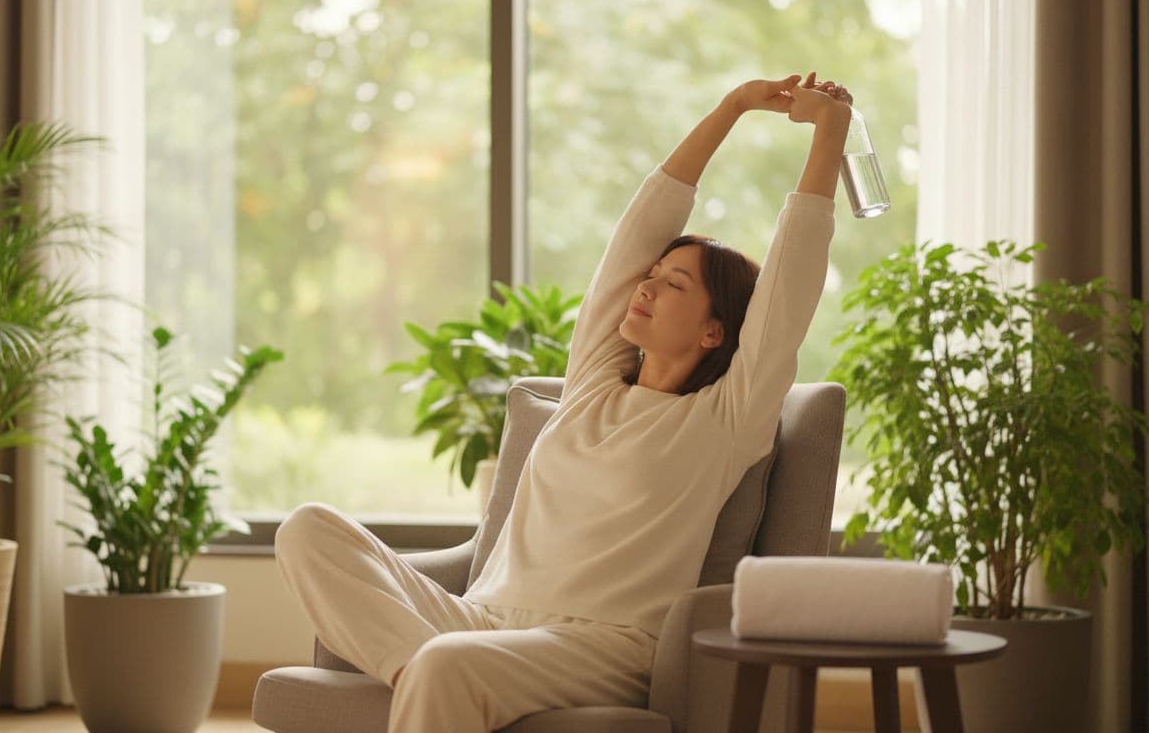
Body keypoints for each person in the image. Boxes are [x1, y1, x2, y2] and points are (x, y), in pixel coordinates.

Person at [275, 71, 853, 733]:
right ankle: (432, 672)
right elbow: (635, 235)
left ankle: (438, 675)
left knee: (447, 666)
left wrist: (829, 134)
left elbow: (789, 289)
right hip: (483, 618)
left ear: (714, 329)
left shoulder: (725, 420)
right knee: (307, 530)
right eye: (653, 275)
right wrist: (730, 107)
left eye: (676, 285)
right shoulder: (593, 385)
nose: (648, 286)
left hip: (600, 645)